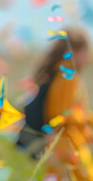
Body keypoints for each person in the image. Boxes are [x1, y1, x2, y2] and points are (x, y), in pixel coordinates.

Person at [32, 26, 93, 180]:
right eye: (86, 51)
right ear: (75, 51)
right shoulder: (68, 76)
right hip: (68, 144)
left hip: (57, 145)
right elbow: (60, 114)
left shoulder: (59, 72)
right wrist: (87, 120)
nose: (89, 56)